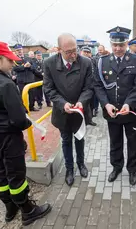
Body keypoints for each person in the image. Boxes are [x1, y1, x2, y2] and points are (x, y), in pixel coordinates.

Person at [0, 41, 51, 225]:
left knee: (0, 172)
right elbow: (20, 120)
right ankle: (28, 210)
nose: (13, 64)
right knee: (16, 175)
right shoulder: (5, 84)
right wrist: (26, 121)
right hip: (7, 137)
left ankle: (10, 208)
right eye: (9, 60)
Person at [94, 26, 136, 185]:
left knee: (132, 142)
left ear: (127, 43)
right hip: (112, 111)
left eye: (121, 45)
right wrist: (105, 105)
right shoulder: (102, 62)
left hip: (131, 112)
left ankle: (132, 170)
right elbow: (98, 85)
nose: (117, 48)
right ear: (110, 43)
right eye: (114, 45)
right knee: (115, 141)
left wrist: (129, 104)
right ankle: (116, 167)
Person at [43, 33, 93, 186]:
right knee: (66, 141)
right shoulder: (49, 63)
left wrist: (81, 102)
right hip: (62, 111)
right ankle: (69, 169)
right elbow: (49, 88)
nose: (73, 54)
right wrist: (62, 103)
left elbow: (89, 87)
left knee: (80, 138)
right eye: (69, 52)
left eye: (75, 50)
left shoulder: (86, 62)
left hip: (79, 110)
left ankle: (81, 164)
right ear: (59, 50)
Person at [12, 44, 38, 111]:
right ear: (15, 51)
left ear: (22, 50)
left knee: (32, 94)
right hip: (21, 80)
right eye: (17, 50)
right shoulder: (14, 59)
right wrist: (24, 67)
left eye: (20, 50)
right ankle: (24, 108)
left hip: (30, 79)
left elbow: (34, 68)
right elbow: (15, 69)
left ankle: (31, 106)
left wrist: (30, 66)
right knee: (22, 95)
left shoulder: (28, 58)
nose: (19, 51)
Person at [80, 46, 97, 126]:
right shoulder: (78, 61)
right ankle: (82, 121)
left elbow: (96, 72)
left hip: (92, 86)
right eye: (84, 52)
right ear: (81, 52)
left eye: (88, 52)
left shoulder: (93, 60)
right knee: (83, 104)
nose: (86, 54)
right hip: (82, 87)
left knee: (91, 104)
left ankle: (89, 120)